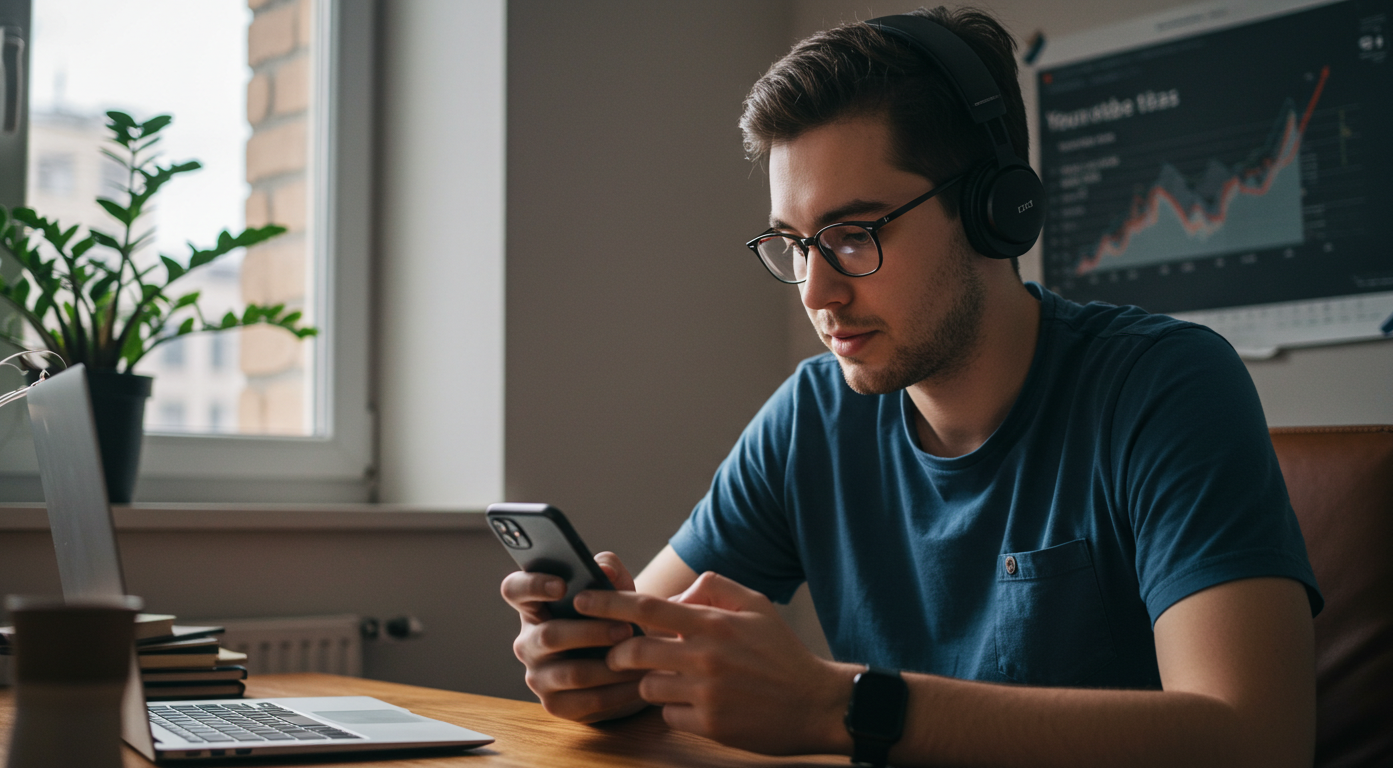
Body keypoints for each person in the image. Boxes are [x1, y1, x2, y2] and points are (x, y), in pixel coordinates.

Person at [500, 7, 1321, 767]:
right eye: (795, 243)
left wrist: (846, 707)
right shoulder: (811, 419)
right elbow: (645, 637)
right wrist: (594, 667)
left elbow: (1256, 737)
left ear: (994, 209)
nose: (817, 293)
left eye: (854, 234)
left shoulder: (1166, 387)